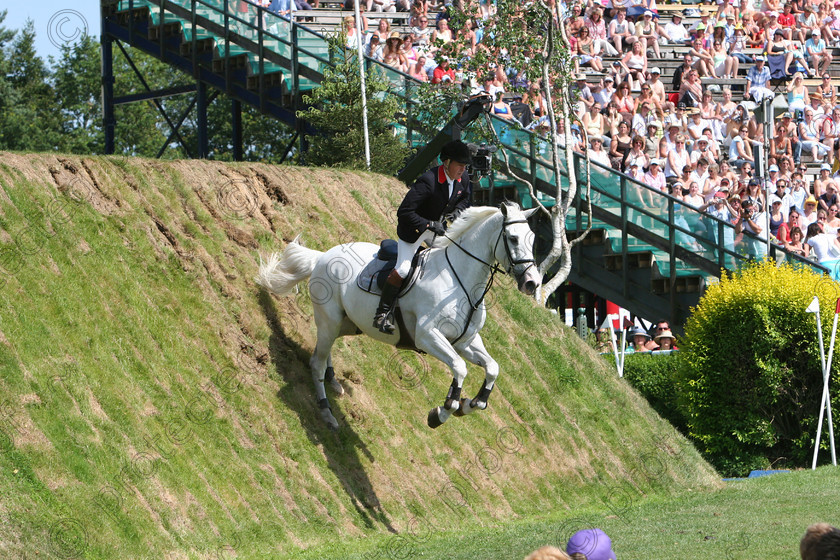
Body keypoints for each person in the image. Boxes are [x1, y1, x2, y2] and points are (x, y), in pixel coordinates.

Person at [373, 140, 472, 333]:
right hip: (414, 230)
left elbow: (465, 198)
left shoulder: (463, 179)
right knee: (402, 270)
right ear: (447, 162)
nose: (463, 169)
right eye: (460, 165)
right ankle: (382, 313)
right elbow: (404, 212)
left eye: (465, 166)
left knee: (450, 262)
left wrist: (456, 211)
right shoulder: (428, 181)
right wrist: (428, 224)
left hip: (437, 230)